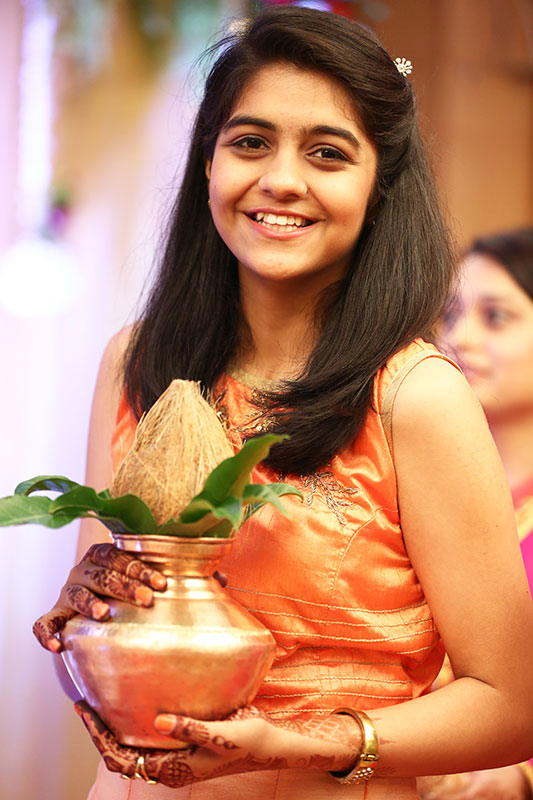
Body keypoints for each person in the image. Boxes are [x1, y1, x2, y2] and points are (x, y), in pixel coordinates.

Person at [32, 7, 533, 799]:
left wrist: (301, 743)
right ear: (208, 160)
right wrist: (84, 611)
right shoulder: (136, 362)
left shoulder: (415, 395)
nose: (281, 180)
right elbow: (103, 648)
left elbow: (511, 705)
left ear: (378, 182)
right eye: (250, 142)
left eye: (327, 153)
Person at [421, 227, 533, 800]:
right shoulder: (414, 477)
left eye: (496, 317)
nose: (460, 337)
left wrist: (520, 773)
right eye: (453, 314)